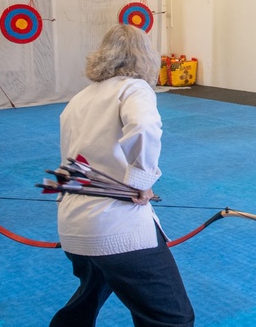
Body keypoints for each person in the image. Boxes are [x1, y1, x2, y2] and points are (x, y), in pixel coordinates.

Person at [50, 24, 194, 327]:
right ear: (145, 57)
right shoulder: (134, 88)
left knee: (89, 296)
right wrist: (142, 182)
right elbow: (143, 126)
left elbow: (70, 165)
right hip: (116, 226)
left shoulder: (80, 98)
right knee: (172, 318)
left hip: (73, 224)